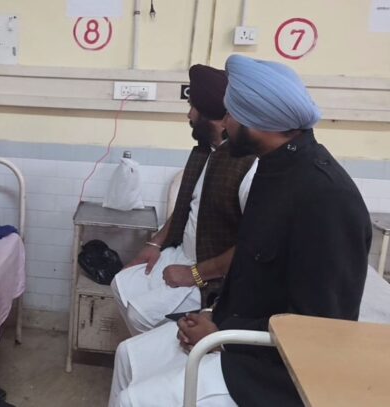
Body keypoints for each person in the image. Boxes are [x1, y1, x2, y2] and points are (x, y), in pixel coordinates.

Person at [109, 54, 371, 407]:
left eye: (231, 114)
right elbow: (252, 270)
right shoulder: (273, 169)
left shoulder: (326, 197)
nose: (225, 122)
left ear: (257, 121)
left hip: (272, 372)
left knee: (135, 400)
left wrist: (224, 335)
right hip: (235, 329)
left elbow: (322, 330)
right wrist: (214, 316)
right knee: (128, 356)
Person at [111, 65, 257, 335]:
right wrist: (155, 243)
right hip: (181, 252)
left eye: (193, 108)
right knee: (121, 283)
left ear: (216, 118)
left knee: (140, 314)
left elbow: (255, 245)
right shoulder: (205, 152)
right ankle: (157, 345)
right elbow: (186, 209)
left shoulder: (247, 166)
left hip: (212, 273)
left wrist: (195, 274)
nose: (189, 115)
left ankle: (170, 349)